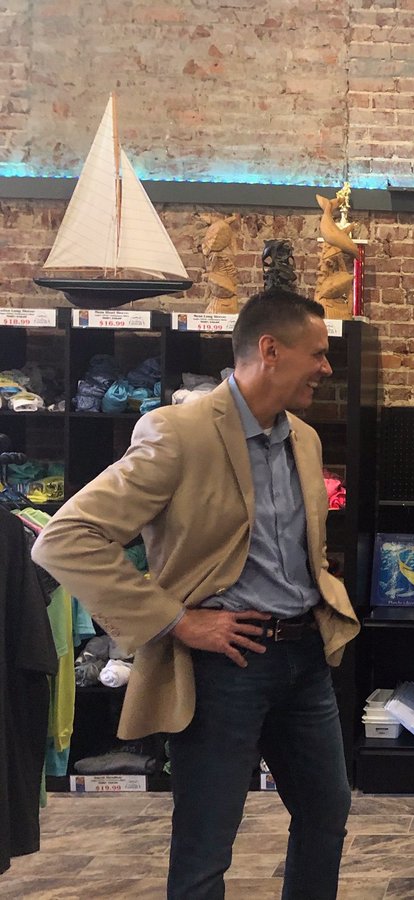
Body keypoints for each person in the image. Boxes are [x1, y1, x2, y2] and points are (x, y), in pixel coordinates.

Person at [32, 288, 360, 899]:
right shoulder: (178, 432)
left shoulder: (305, 438)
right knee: (206, 845)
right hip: (222, 668)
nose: (325, 367)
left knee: (327, 812)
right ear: (270, 350)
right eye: (317, 353)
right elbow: (65, 538)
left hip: (304, 658)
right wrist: (174, 620)